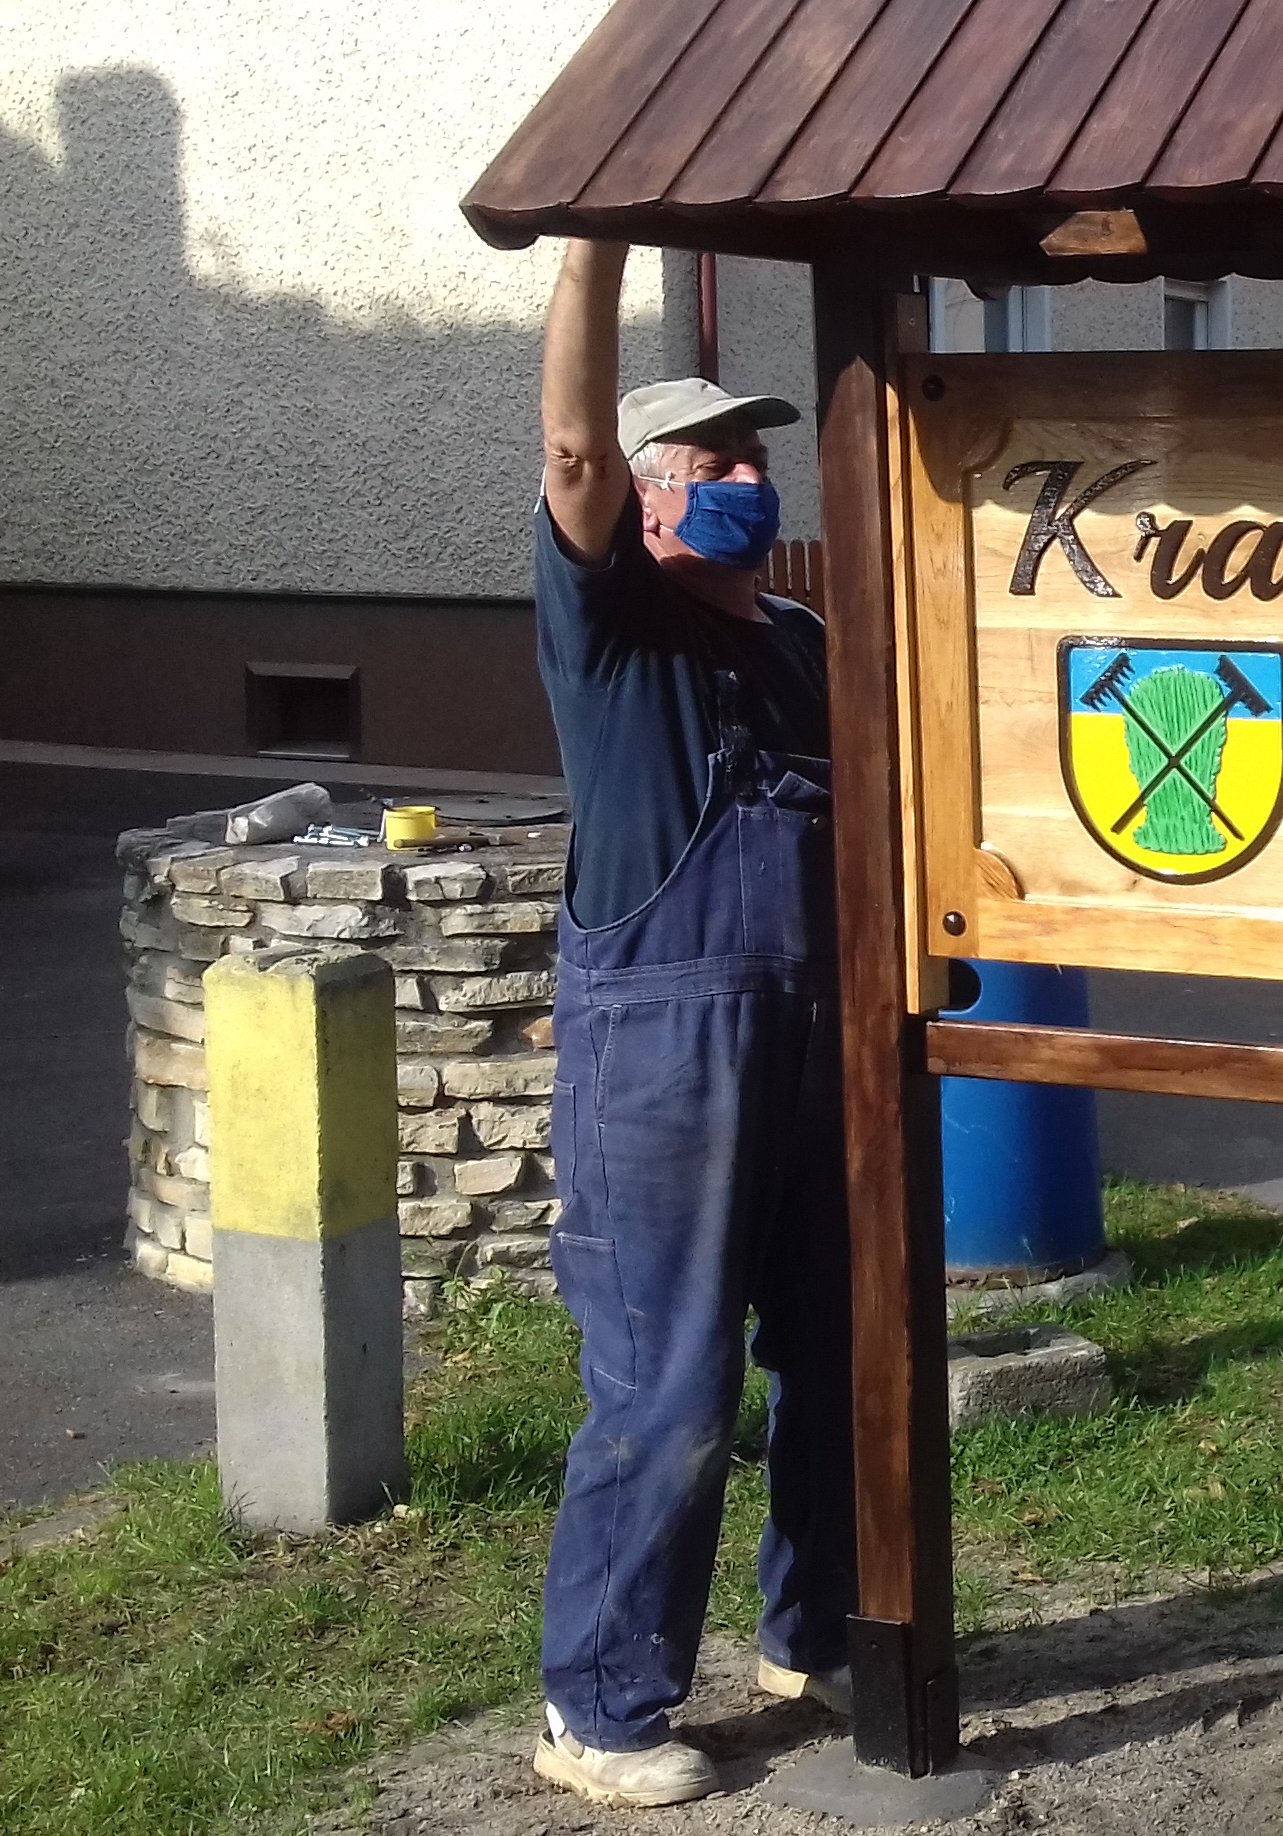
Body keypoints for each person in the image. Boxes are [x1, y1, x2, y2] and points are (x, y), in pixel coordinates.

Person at [526, 238, 854, 1808]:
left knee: (844, 1356)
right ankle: (599, 1713)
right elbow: (571, 449)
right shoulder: (619, 633)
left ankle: (826, 1633)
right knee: (669, 1387)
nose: (748, 480)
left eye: (755, 459)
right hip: (662, 1066)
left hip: (813, 1043)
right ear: (648, 499)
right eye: (715, 462)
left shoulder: (800, 643)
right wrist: (593, 248)